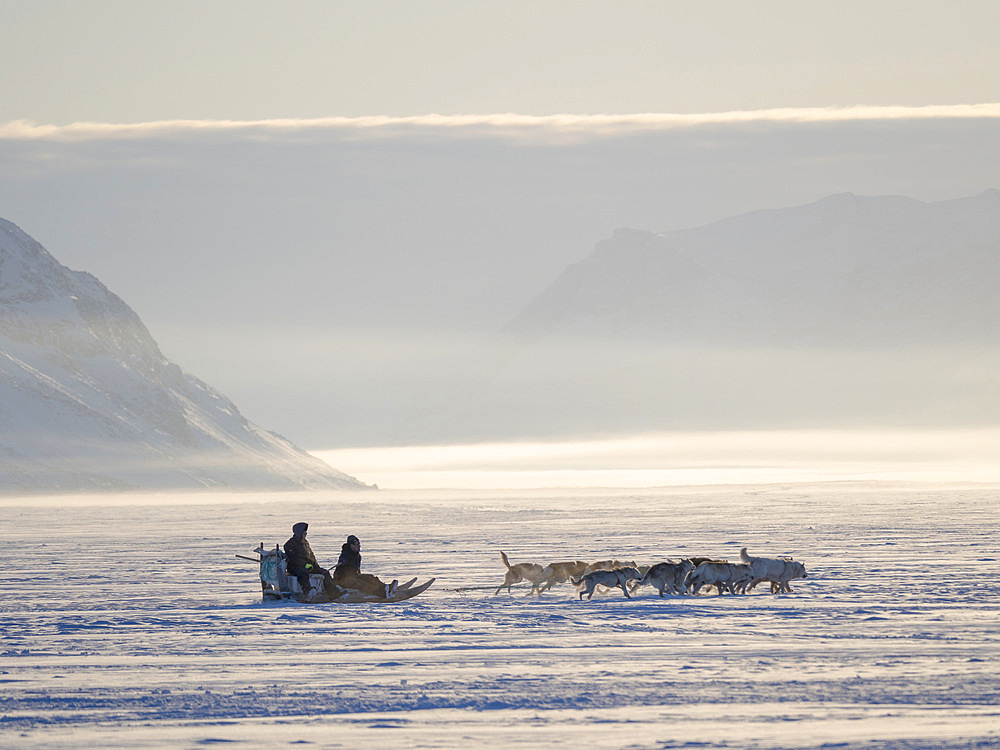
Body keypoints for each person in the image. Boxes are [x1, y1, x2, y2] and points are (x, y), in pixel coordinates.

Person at [283, 522, 341, 600]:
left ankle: (333, 593)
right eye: (304, 532)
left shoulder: (305, 543)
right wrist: (305, 564)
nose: (306, 533)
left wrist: (315, 565)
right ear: (299, 532)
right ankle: (308, 593)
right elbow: (293, 559)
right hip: (295, 567)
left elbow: (311, 556)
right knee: (303, 573)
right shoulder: (290, 544)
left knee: (325, 572)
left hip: (308, 566)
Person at [333, 534, 398, 599]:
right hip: (342, 580)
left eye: (359, 544)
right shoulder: (346, 554)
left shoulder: (357, 556)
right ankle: (382, 593)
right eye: (356, 544)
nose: (359, 546)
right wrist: (344, 562)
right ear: (351, 545)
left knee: (369, 577)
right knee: (361, 584)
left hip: (353, 576)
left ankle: (386, 588)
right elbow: (342, 561)